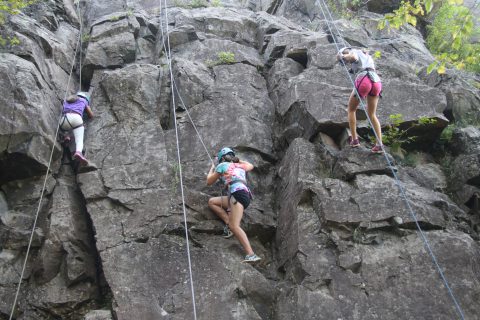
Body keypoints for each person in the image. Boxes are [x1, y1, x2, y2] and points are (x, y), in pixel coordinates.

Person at [207, 147, 261, 263]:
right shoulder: (240, 166)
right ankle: (227, 222)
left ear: (222, 159)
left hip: (237, 195)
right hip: (240, 195)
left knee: (235, 226)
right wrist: (238, 160)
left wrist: (212, 169)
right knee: (212, 202)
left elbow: (209, 181)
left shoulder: (222, 166)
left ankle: (251, 254)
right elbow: (251, 165)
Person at [337, 47, 383, 153]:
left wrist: (342, 56)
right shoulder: (367, 56)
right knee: (372, 114)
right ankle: (379, 144)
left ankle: (354, 140)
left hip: (364, 79)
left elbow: (353, 56)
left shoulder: (353, 52)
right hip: (376, 81)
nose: (346, 61)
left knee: (351, 110)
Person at [60, 91, 94, 165]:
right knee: (79, 138)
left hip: (64, 119)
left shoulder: (67, 100)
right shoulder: (83, 100)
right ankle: (78, 152)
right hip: (76, 118)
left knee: (65, 127)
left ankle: (66, 136)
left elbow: (63, 105)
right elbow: (91, 115)